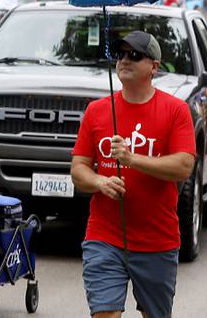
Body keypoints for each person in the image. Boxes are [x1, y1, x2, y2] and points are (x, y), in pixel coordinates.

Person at [70, 31, 196, 318]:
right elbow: (78, 170)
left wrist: (132, 159)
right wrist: (100, 181)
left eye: (135, 55)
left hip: (157, 240)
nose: (125, 60)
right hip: (104, 236)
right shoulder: (96, 111)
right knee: (105, 314)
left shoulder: (176, 110)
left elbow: (183, 166)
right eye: (121, 54)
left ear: (154, 66)